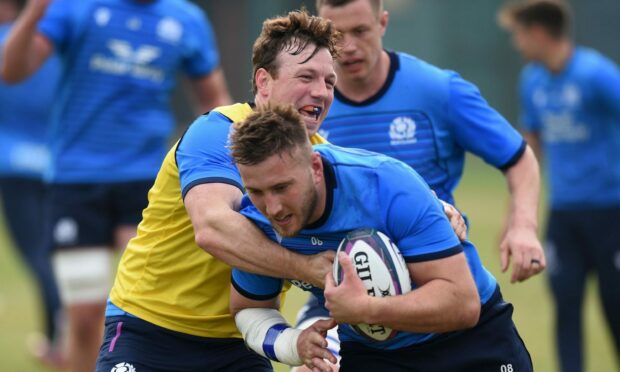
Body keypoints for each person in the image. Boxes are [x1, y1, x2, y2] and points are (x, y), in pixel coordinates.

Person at [93, 10, 343, 372]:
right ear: (264, 82)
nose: (320, 91)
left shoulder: (324, 160)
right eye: (306, 76)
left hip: (240, 343)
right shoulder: (217, 132)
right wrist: (307, 268)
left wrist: (436, 212)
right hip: (149, 331)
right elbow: (213, 229)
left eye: (330, 82)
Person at [0, 0, 231, 371]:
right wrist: (34, 12)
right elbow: (12, 71)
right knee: (86, 315)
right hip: (77, 182)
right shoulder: (75, 8)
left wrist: (226, 164)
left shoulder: (185, 19)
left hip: (147, 184)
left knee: (148, 306)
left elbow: (214, 103)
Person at [228, 104, 533, 372]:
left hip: (469, 342)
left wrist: (366, 310)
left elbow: (462, 305)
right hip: (374, 354)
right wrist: (295, 343)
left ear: (315, 168)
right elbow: (248, 308)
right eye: (256, 191)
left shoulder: (386, 185)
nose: (273, 207)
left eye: (282, 187)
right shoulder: (255, 222)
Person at [315, 0, 545, 284]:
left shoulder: (438, 91)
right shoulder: (309, 105)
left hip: (443, 278)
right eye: (336, 36)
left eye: (360, 31)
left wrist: (523, 226)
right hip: (348, 285)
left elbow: (519, 159)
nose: (348, 46)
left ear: (382, 23)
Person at [498, 1, 620, 371]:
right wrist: (515, 214)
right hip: (563, 216)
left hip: (610, 214)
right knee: (565, 308)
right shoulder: (532, 80)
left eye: (518, 35)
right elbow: (530, 147)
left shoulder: (596, 73)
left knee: (615, 308)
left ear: (537, 33)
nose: (516, 45)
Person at [0, 0, 63, 367]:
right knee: (56, 254)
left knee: (39, 257)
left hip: (12, 164)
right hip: (55, 162)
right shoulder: (51, 45)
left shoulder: (10, 47)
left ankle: (61, 334)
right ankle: (59, 333)